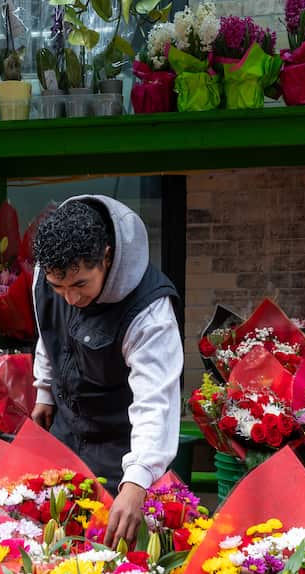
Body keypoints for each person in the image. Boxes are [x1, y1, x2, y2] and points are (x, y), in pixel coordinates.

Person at [30, 195, 184, 547]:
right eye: (59, 287)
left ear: (108, 257)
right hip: (67, 429)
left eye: (81, 284)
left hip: (123, 443)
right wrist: (44, 389)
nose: (69, 298)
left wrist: (137, 481)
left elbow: (155, 400)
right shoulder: (47, 275)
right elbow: (48, 330)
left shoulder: (149, 311)